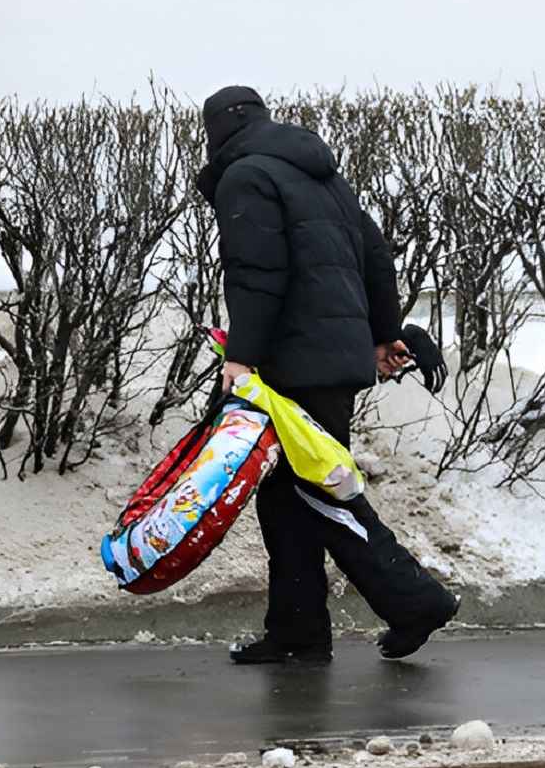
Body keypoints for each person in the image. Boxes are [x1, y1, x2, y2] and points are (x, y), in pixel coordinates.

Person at [195, 85, 459, 664]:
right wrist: (383, 332)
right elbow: (374, 252)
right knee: (289, 497)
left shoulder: (247, 178)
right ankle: (299, 632)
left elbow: (255, 275)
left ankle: (415, 601)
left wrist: (240, 356)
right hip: (327, 358)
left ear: (217, 132)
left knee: (320, 493)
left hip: (294, 361)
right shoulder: (319, 175)